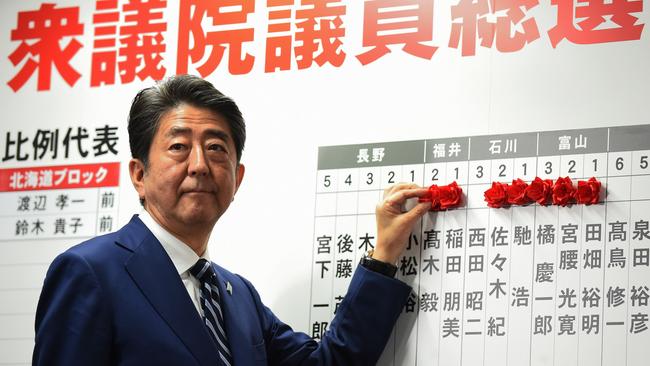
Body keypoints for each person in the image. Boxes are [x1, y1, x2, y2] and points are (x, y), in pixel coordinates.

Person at [32, 75, 431, 366]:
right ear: (139, 173)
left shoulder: (237, 295)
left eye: (216, 148)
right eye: (178, 147)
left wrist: (383, 256)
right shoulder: (91, 272)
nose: (200, 165)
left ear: (237, 178)